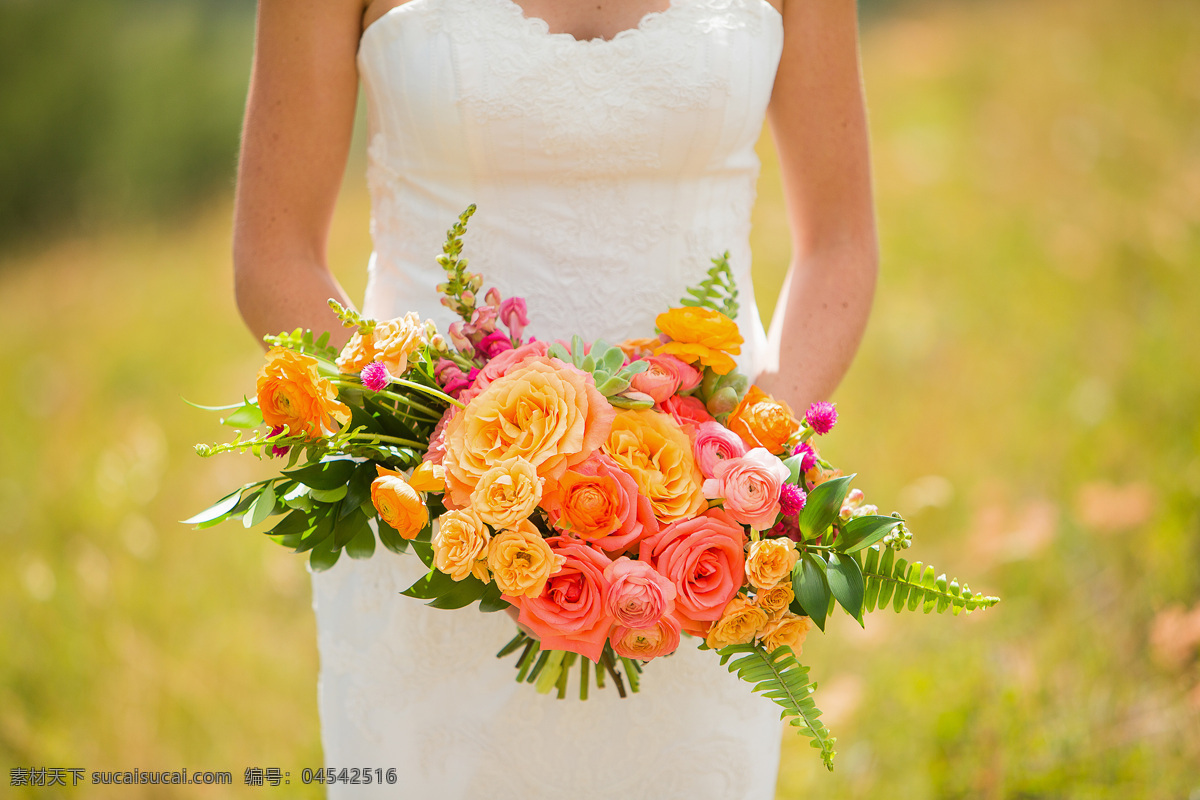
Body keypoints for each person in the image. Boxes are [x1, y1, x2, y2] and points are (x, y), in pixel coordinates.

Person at [232, 0, 877, 796]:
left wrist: (738, 479)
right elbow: (274, 255)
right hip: (438, 540)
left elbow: (840, 243)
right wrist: (454, 475)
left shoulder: (714, 523)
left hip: (698, 567)